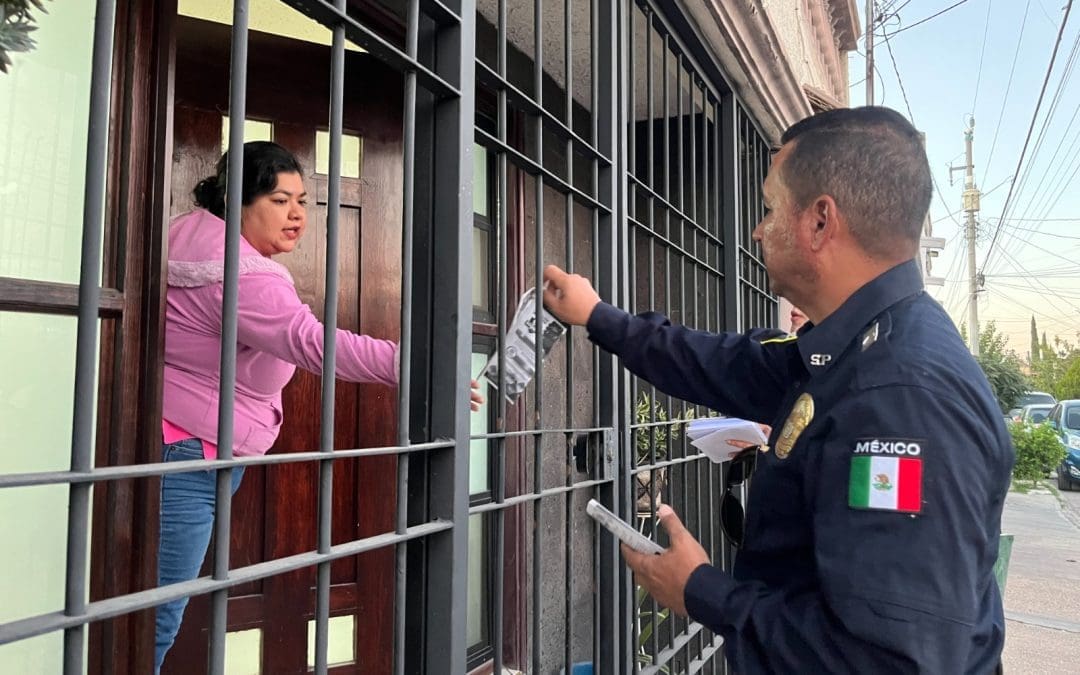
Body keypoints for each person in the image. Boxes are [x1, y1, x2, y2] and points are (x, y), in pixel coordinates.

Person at [542, 107, 1012, 673]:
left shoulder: (902, 397)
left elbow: (886, 662)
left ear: (820, 223)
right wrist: (597, 315)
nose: (758, 230)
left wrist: (704, 592)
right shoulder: (850, 351)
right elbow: (723, 363)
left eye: (768, 209)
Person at [156, 141, 482, 671]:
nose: (297, 215)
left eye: (303, 201)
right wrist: (419, 368)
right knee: (157, 613)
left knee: (150, 603)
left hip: (189, 440)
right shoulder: (243, 278)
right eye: (280, 200)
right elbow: (316, 344)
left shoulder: (190, 241)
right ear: (236, 200)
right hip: (190, 453)